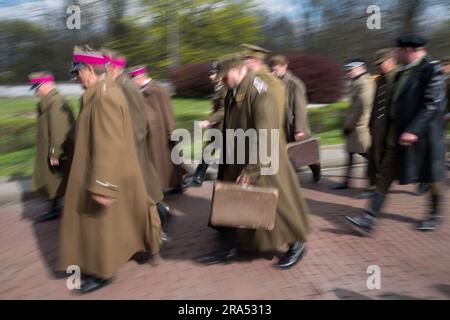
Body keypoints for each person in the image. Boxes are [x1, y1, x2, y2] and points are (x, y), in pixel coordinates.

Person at [59, 47, 162, 293]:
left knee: (100, 226)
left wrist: (103, 184)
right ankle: (141, 246)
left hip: (103, 173)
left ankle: (103, 272)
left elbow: (107, 143)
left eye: (78, 72)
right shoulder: (102, 91)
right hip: (114, 170)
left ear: (88, 70)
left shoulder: (103, 95)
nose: (76, 78)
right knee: (123, 218)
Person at [196, 53, 310, 269]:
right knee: (233, 201)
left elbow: (265, 135)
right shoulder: (233, 91)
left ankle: (297, 243)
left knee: (277, 206)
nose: (221, 81)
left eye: (224, 76)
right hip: (239, 154)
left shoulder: (259, 92)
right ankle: (228, 246)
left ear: (239, 70)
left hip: (263, 160)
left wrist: (251, 170)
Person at [346, 35, 448, 233]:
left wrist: (413, 129)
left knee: (433, 177)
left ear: (409, 50)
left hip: (425, 137)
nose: (398, 54)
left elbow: (431, 104)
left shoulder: (432, 70)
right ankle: (369, 219)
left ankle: (434, 215)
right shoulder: (404, 72)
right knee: (385, 174)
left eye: (400, 51)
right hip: (398, 136)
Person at [101, 49, 173, 230]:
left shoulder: (126, 86)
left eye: (103, 68)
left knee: (146, 190)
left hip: (133, 150)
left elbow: (139, 124)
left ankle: (160, 225)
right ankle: (160, 218)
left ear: (111, 68)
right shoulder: (119, 85)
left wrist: (128, 149)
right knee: (145, 191)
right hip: (130, 149)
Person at [127, 65, 185, 193]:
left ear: (140, 77)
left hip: (161, 133)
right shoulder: (143, 90)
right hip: (151, 133)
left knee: (165, 161)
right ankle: (165, 186)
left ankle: (172, 186)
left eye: (132, 79)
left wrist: (171, 132)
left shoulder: (158, 90)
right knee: (157, 162)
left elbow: (167, 112)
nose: (131, 83)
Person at [29, 72, 75, 223]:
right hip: (51, 149)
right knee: (53, 179)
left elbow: (59, 132)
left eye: (38, 88)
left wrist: (55, 153)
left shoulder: (55, 103)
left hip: (57, 151)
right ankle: (55, 207)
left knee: (55, 178)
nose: (36, 92)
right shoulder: (48, 102)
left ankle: (57, 209)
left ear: (46, 85)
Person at [270, 54, 321, 183]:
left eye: (275, 69)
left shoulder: (294, 84)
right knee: (286, 153)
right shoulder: (274, 83)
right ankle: (286, 179)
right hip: (281, 125)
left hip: (294, 125)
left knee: (304, 152)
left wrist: (299, 129)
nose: (273, 72)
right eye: (272, 69)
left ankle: (315, 167)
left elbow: (300, 108)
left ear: (284, 67)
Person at [362, 49, 399, 200]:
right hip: (378, 126)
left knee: (391, 162)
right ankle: (374, 186)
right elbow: (376, 105)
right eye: (377, 64)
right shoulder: (379, 80)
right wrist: (371, 124)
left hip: (392, 127)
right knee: (373, 158)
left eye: (381, 63)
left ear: (391, 60)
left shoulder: (398, 77)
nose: (379, 67)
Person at [334, 58, 375, 190]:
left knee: (367, 154)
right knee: (350, 153)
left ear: (361, 68)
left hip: (360, 126)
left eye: (350, 70)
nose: (347, 73)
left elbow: (361, 107)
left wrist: (349, 125)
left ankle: (374, 183)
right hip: (355, 125)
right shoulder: (356, 82)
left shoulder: (365, 83)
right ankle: (346, 181)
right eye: (347, 70)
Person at [183, 61, 226, 187]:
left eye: (213, 73)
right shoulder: (219, 88)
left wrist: (209, 120)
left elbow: (224, 110)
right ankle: (198, 177)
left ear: (220, 74)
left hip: (223, 128)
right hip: (217, 128)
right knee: (207, 152)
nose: (210, 76)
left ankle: (200, 178)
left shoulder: (224, 89)